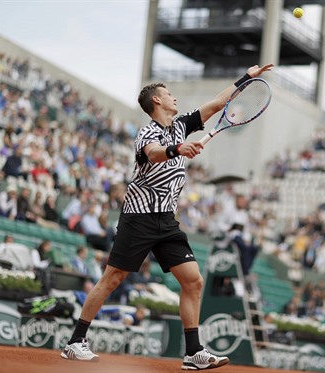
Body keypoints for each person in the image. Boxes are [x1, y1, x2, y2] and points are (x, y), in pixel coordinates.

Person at [60, 64, 274, 369]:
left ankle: (193, 353)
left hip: (167, 221)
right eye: (169, 94)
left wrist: (247, 78)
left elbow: (217, 104)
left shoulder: (182, 125)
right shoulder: (148, 131)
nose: (175, 98)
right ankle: (75, 342)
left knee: (194, 281)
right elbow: (154, 154)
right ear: (156, 102)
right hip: (139, 217)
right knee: (113, 278)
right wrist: (179, 149)